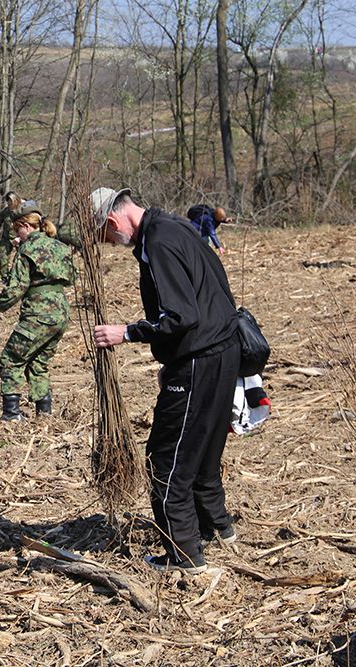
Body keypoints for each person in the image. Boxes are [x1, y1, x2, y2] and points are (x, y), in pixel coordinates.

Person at [90, 186, 240, 575]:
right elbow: (214, 289)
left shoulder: (157, 241)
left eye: (105, 236)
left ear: (111, 221)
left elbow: (180, 316)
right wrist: (174, 356)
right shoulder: (176, 225)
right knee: (204, 448)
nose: (111, 243)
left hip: (200, 358)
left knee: (166, 458)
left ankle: (183, 554)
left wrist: (127, 332)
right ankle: (218, 527)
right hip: (222, 351)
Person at [0, 202, 75, 420]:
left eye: (16, 229)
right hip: (61, 313)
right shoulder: (60, 246)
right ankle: (44, 415)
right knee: (38, 363)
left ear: (26, 226)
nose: (16, 234)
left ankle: (11, 416)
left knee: (10, 360)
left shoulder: (26, 249)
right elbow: (71, 278)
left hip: (38, 315)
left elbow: (16, 289)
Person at [0, 191, 22, 283]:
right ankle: (5, 277)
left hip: (20, 238)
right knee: (2, 256)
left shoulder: (22, 211)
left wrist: (20, 237)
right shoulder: (5, 212)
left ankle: (18, 275)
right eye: (8, 202)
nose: (9, 204)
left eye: (11, 202)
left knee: (20, 258)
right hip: (6, 238)